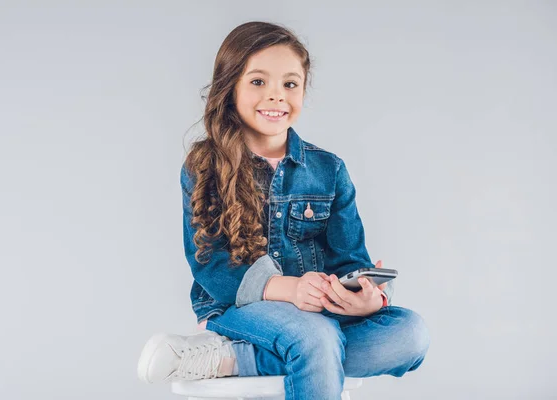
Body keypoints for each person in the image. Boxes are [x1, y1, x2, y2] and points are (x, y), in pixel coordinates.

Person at [137, 20, 430, 399]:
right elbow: (211, 264)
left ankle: (234, 360)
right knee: (315, 336)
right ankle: (280, 349)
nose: (276, 96)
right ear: (230, 88)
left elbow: (349, 259)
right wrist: (288, 289)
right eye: (258, 82)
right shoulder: (206, 164)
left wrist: (369, 297)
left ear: (303, 91)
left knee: (410, 333)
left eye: (289, 84)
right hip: (241, 309)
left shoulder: (329, 169)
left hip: (320, 313)